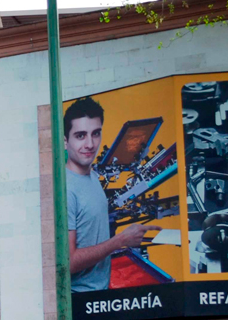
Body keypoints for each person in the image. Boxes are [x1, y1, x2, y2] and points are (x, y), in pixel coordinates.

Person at [63, 97, 159, 291]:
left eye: (96, 134)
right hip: (80, 298)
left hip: (100, 292)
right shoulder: (66, 189)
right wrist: (120, 241)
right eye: (80, 136)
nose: (90, 144)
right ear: (65, 142)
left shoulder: (92, 176)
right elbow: (68, 262)